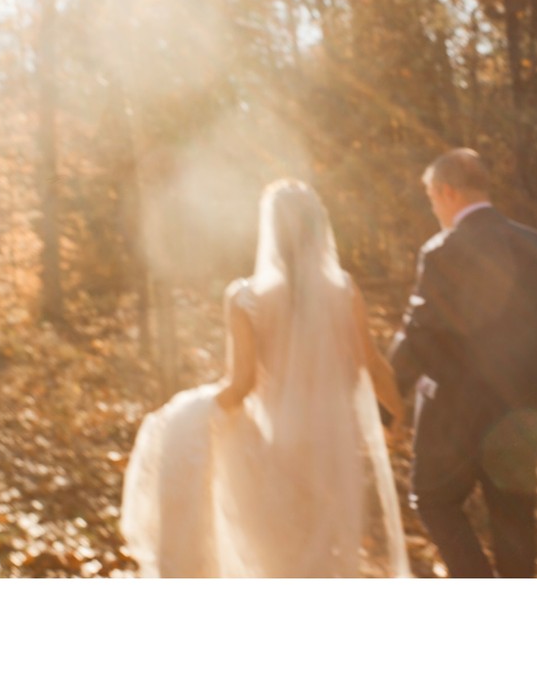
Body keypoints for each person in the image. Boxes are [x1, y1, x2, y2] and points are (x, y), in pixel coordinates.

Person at [120, 179, 411, 577]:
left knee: (283, 559)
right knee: (328, 555)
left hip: (279, 441)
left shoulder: (246, 298)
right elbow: (371, 363)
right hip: (334, 441)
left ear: (270, 230)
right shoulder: (344, 290)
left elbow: (241, 386)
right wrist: (397, 414)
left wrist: (192, 410)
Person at [389, 148, 537, 577]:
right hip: (523, 405)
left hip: (456, 410)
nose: (433, 207)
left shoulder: (443, 250)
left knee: (433, 500)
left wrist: (385, 400)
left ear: (446, 191)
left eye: (431, 196)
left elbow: (421, 334)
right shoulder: (535, 243)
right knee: (514, 517)